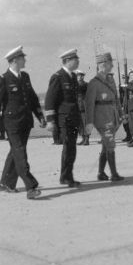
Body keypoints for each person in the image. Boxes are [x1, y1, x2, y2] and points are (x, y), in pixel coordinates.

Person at [0, 46, 46, 199]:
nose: (25, 60)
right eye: (22, 58)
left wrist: (40, 115)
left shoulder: (25, 77)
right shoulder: (3, 79)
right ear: (14, 60)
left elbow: (32, 98)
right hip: (12, 123)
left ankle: (6, 183)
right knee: (20, 153)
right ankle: (31, 186)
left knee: (16, 152)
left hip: (25, 122)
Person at [45, 49, 82, 187]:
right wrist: (50, 121)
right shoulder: (58, 77)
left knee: (72, 147)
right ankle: (65, 177)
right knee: (68, 147)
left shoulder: (72, 77)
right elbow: (50, 100)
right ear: (67, 61)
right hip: (64, 119)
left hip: (73, 117)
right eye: (75, 59)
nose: (78, 61)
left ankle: (67, 176)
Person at [85, 51, 124, 181]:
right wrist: (89, 122)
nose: (112, 66)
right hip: (102, 118)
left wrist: (121, 114)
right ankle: (114, 174)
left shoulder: (110, 80)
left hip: (112, 115)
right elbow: (89, 105)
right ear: (103, 64)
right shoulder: (94, 83)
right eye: (110, 63)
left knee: (106, 145)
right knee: (110, 143)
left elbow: (116, 99)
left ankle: (101, 173)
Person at [76, 70, 90, 145]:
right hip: (77, 107)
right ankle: (83, 138)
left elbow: (81, 88)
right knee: (80, 124)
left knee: (85, 123)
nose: (80, 77)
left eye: (81, 76)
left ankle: (87, 139)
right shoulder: (75, 84)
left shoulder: (85, 84)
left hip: (84, 106)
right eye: (78, 76)